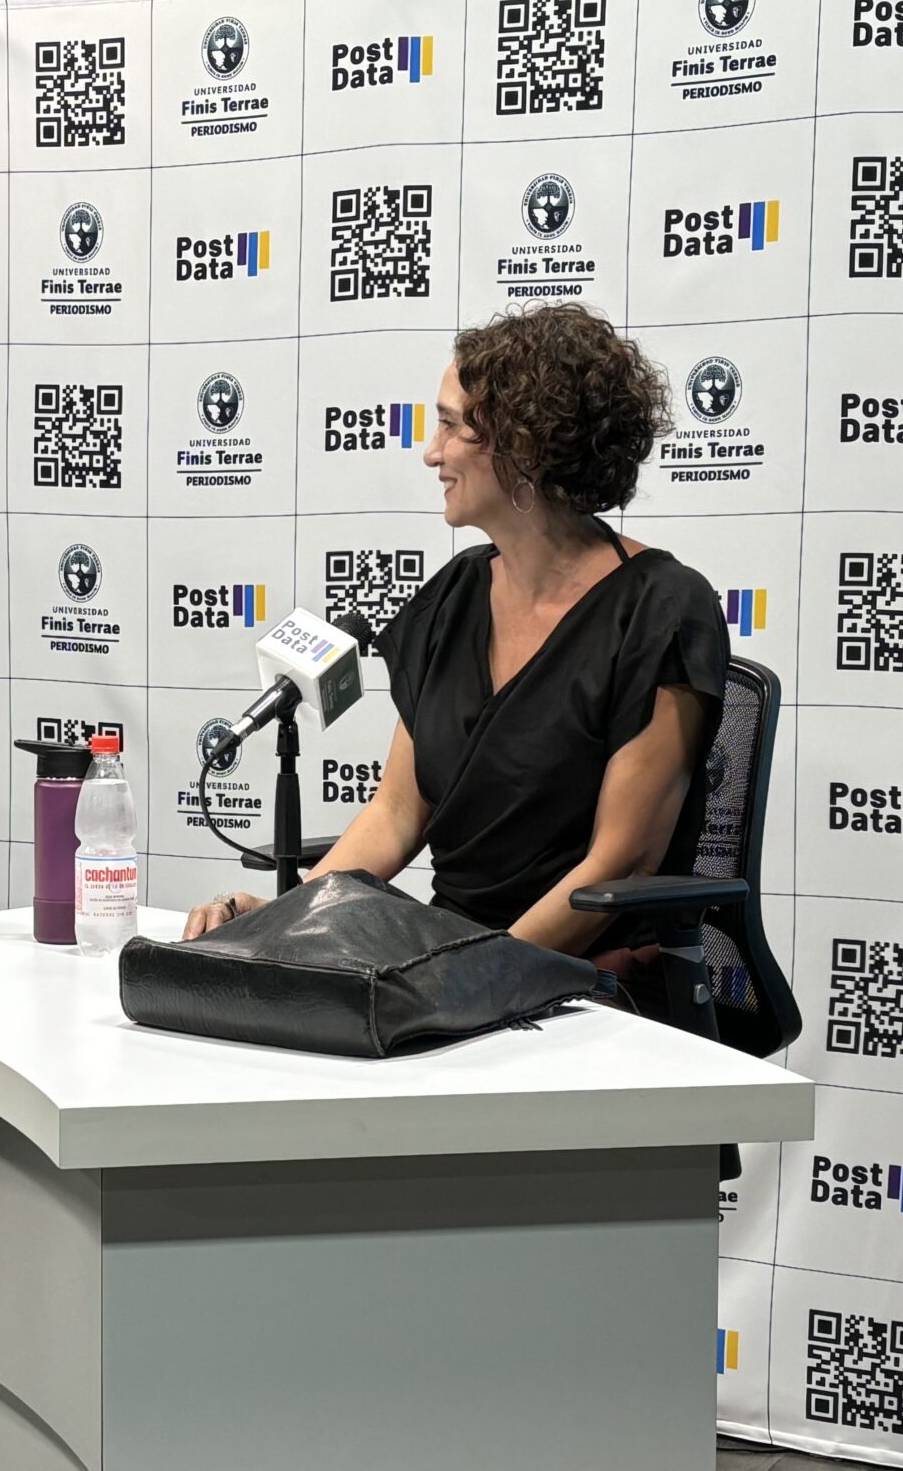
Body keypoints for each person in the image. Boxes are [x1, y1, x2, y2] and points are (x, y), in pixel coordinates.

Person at [182, 304, 730, 1000]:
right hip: (451, 966)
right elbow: (396, 814)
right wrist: (286, 919)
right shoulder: (454, 597)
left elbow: (621, 863)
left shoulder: (661, 608)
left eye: (450, 426)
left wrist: (477, 977)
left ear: (524, 445)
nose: (431, 452)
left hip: (586, 984)